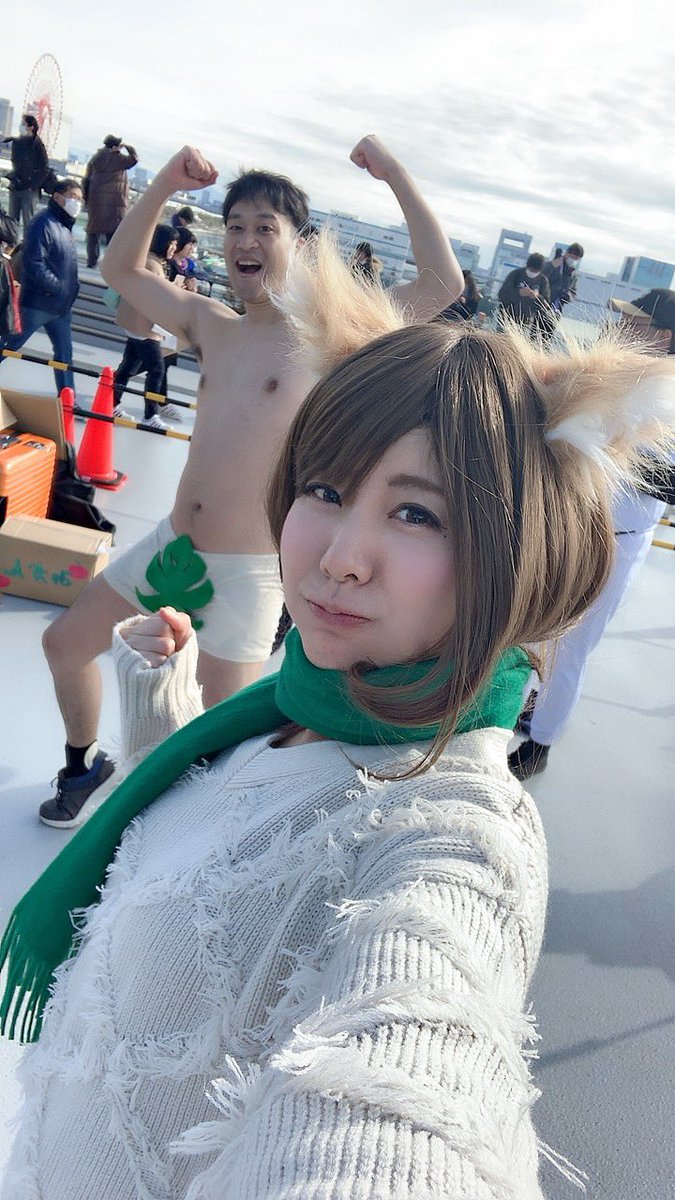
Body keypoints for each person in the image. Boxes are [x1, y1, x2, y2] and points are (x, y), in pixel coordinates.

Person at [3, 300, 674, 1198]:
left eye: (416, 513)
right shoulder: (293, 707)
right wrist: (161, 706)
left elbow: (410, 1068)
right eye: (323, 489)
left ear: (514, 551)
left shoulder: (454, 828)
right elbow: (212, 839)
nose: (341, 556)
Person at [38, 135, 463, 827]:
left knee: (210, 742)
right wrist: (167, 183)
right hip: (172, 543)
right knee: (63, 645)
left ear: (299, 245)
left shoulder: (331, 334)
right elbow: (119, 268)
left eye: (266, 227)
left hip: (250, 572)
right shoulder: (211, 322)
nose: (246, 240)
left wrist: (393, 172)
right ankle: (83, 764)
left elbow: (443, 285)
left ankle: (170, 844)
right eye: (235, 226)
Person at [509, 484, 666, 779]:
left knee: (569, 650)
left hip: (618, 542)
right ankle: (535, 704)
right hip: (564, 527)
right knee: (535, 629)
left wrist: (625, 457)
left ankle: (540, 746)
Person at [0, 178, 82, 396]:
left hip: (60, 307)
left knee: (65, 356)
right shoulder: (43, 222)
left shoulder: (64, 225)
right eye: (73, 197)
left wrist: (69, 290)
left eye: (80, 199)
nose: (78, 203)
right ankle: (68, 398)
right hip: (38, 302)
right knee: (10, 344)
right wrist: (57, 287)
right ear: (58, 197)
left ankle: (68, 400)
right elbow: (33, 262)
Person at [111, 223, 178, 429]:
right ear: (164, 243)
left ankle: (111, 403)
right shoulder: (152, 264)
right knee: (156, 369)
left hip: (136, 323)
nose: (174, 248)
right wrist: (174, 291)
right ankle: (150, 415)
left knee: (128, 367)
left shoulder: (149, 260)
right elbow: (156, 295)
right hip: (144, 326)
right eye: (173, 243)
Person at [83, 135, 138, 269]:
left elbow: (86, 179)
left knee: (93, 231)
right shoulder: (119, 159)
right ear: (115, 146)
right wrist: (128, 147)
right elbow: (134, 159)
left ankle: (92, 261)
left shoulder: (96, 158)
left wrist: (86, 198)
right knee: (113, 234)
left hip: (96, 200)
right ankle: (110, 263)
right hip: (115, 202)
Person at [2, 114, 48, 232]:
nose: (20, 126)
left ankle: (27, 242)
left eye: (23, 124)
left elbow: (44, 168)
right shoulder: (17, 142)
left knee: (28, 220)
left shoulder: (38, 145)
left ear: (31, 127)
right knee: (12, 220)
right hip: (16, 186)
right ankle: (11, 241)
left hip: (29, 189)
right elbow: (15, 163)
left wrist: (33, 186)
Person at [498, 252, 551, 331]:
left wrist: (537, 297)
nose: (532, 272)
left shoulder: (543, 281)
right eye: (531, 269)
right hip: (506, 318)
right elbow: (501, 295)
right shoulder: (516, 275)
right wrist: (518, 293)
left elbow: (546, 305)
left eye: (535, 271)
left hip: (526, 322)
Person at [541, 242, 583, 336]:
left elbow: (573, 292)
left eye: (576, 259)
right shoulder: (554, 265)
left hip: (556, 310)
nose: (573, 260)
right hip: (543, 305)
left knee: (547, 337)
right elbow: (541, 277)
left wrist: (568, 296)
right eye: (572, 257)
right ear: (567, 253)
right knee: (535, 335)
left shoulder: (573, 275)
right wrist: (552, 265)